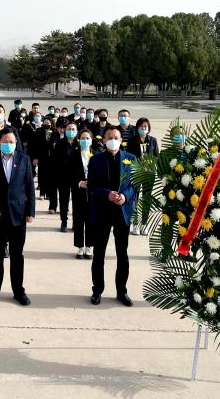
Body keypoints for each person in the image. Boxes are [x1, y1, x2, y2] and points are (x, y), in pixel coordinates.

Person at [0, 128, 35, 306]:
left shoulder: (24, 160)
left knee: (17, 255)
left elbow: (30, 188)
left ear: (16, 143)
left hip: (18, 215)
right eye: (5, 141)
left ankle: (18, 291)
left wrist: (30, 211)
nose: (8, 144)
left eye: (11, 142)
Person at [88, 126, 136, 307]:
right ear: (103, 140)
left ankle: (121, 291)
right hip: (102, 211)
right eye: (109, 137)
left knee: (122, 254)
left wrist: (125, 196)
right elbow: (92, 184)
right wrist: (107, 194)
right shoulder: (96, 160)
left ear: (121, 140)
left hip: (122, 212)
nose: (113, 140)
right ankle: (97, 290)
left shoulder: (131, 159)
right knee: (99, 253)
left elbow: (135, 184)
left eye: (116, 137)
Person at [130, 117, 159, 236]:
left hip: (149, 173)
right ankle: (135, 224)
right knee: (135, 199)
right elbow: (129, 157)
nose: (143, 128)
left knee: (146, 199)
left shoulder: (153, 140)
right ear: (137, 128)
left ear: (148, 128)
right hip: (136, 173)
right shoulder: (132, 140)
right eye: (141, 126)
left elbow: (157, 156)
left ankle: (144, 224)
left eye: (145, 126)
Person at [71, 130, 96, 259]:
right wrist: (79, 182)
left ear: (91, 140)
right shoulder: (73, 155)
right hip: (79, 191)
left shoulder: (97, 154)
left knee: (91, 219)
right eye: (83, 138)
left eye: (87, 138)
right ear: (79, 140)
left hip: (93, 192)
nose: (85, 140)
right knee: (78, 219)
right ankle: (80, 246)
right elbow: (69, 173)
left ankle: (89, 246)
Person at [53, 121, 79, 232]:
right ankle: (64, 221)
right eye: (69, 129)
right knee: (64, 201)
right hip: (63, 176)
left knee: (77, 201)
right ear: (65, 130)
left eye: (73, 129)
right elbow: (55, 160)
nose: (71, 131)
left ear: (77, 131)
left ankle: (75, 222)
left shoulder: (79, 143)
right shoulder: (59, 143)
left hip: (77, 178)